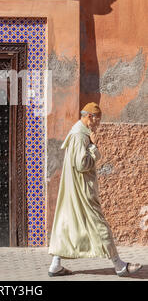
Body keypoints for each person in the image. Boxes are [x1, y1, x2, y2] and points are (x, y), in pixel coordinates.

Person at [48, 102, 142, 277]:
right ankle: (119, 265)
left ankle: (55, 264)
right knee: (100, 225)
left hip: (74, 188)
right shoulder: (80, 136)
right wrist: (94, 147)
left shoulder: (79, 132)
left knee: (66, 224)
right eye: (97, 120)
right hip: (83, 190)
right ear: (89, 117)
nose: (98, 124)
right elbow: (82, 164)